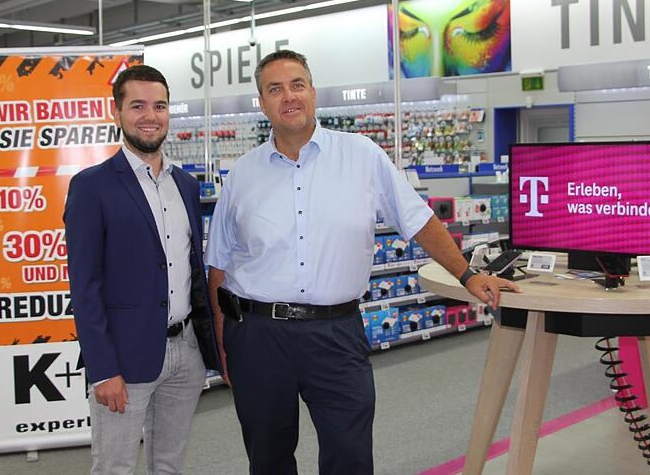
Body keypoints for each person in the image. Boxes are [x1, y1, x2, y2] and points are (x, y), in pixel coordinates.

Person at [205, 49, 521, 474]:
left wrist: (467, 274)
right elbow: (220, 266)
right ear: (262, 103)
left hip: (335, 333)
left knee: (350, 456)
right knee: (268, 458)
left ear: (313, 92)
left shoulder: (361, 155)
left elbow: (418, 220)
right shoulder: (242, 174)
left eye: (297, 85)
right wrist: (225, 343)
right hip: (259, 337)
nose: (289, 96)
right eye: (274, 89)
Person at [64, 64, 220, 475]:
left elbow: (192, 269)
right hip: (125, 357)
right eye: (138, 106)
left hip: (185, 353)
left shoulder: (186, 185)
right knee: (114, 467)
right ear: (116, 113)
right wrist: (102, 369)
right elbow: (85, 285)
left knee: (168, 465)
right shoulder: (91, 186)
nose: (150, 116)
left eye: (160, 106)